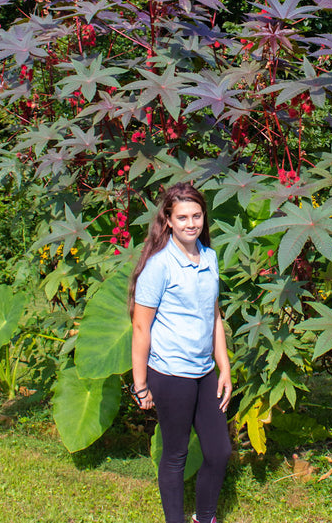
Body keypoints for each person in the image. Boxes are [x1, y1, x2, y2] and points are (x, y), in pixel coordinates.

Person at [129, 183, 232, 523]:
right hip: (171, 374)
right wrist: (140, 383)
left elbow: (214, 316)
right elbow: (142, 327)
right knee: (175, 454)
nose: (191, 223)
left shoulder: (210, 257)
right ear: (169, 221)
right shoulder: (160, 266)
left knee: (219, 452)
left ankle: (205, 518)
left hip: (205, 373)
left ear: (204, 217)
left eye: (197, 216)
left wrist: (225, 369)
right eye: (183, 217)